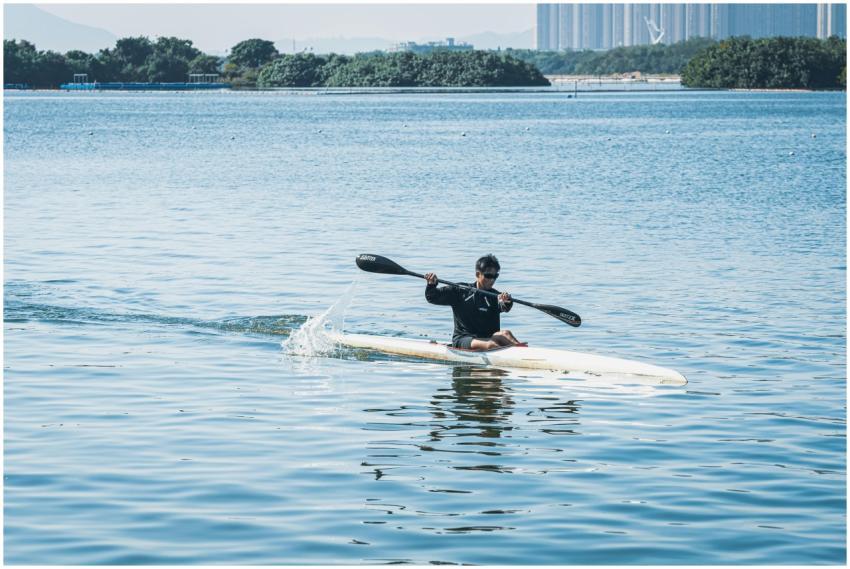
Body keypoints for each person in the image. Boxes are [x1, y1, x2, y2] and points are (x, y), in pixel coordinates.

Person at [425, 254, 522, 351]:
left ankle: (524, 352)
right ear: (477, 274)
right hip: (464, 339)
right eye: (488, 276)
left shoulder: (496, 296)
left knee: (506, 334)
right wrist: (431, 285)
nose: (492, 280)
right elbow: (432, 297)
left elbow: (505, 307)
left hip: (487, 337)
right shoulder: (460, 291)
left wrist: (507, 301)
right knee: (491, 345)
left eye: (495, 276)